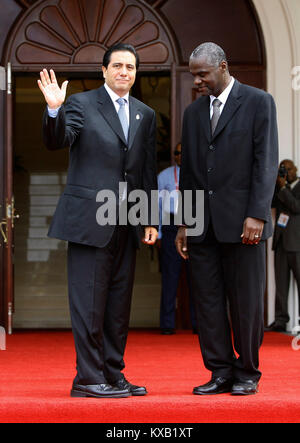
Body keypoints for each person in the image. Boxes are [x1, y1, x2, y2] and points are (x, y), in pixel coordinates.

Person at [38, 43, 158, 399]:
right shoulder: (81, 104)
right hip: (89, 222)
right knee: (89, 303)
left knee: (118, 306)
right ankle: (88, 379)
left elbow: (146, 170)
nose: (124, 72)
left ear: (136, 74)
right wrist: (54, 109)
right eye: (118, 66)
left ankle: (112, 373)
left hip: (128, 221)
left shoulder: (145, 114)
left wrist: (149, 218)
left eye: (130, 67)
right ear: (104, 71)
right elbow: (58, 139)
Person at [176, 42, 278, 396]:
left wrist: (257, 214)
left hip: (244, 224)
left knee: (246, 302)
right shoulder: (192, 114)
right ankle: (219, 370)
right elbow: (188, 172)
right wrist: (185, 222)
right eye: (194, 76)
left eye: (202, 74)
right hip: (202, 225)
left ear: (223, 66)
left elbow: (265, 163)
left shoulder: (258, 102)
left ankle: (247, 372)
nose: (198, 82)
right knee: (207, 301)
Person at [157, 143, 196, 335]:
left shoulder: (198, 170)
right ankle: (167, 324)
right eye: (177, 153)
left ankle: (199, 324)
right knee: (170, 277)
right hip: (171, 224)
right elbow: (156, 205)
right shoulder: (165, 175)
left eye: (183, 152)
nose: (180, 155)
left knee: (197, 278)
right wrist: (159, 232)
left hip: (194, 225)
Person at [267, 159, 300, 332]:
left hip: (297, 244)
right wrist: (275, 185)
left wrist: (283, 189)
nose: (286, 172)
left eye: (288, 169)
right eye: (282, 170)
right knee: (280, 285)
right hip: (280, 243)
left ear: (295, 169)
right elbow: (270, 204)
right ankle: (280, 320)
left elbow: (296, 206)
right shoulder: (280, 188)